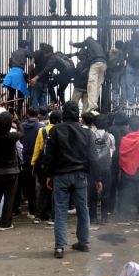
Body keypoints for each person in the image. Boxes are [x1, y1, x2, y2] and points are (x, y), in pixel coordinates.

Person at [42, 102, 97, 258]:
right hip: (80, 175)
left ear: (63, 113)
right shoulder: (86, 132)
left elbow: (49, 156)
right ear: (77, 115)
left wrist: (48, 175)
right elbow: (93, 157)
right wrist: (97, 178)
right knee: (83, 208)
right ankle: (84, 242)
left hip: (60, 175)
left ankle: (60, 246)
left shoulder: (55, 131)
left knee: (60, 209)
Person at [119, 116, 139, 220]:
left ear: (129, 127)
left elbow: (121, 155)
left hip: (126, 169)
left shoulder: (124, 140)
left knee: (127, 192)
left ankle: (127, 214)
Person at [71, 36, 107, 113]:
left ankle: (93, 106)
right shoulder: (98, 45)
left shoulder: (89, 41)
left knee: (92, 84)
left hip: (96, 63)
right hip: (103, 64)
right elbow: (84, 53)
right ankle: (94, 104)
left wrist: (73, 44)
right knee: (97, 85)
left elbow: (81, 44)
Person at [124, 31, 139, 107]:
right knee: (138, 85)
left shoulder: (129, 43)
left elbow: (125, 51)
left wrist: (126, 59)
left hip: (130, 65)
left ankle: (131, 103)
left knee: (130, 85)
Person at [106, 40, 126, 110]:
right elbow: (122, 62)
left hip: (113, 72)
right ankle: (123, 104)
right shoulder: (121, 52)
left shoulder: (110, 52)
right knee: (123, 88)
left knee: (115, 89)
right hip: (122, 72)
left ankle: (115, 105)